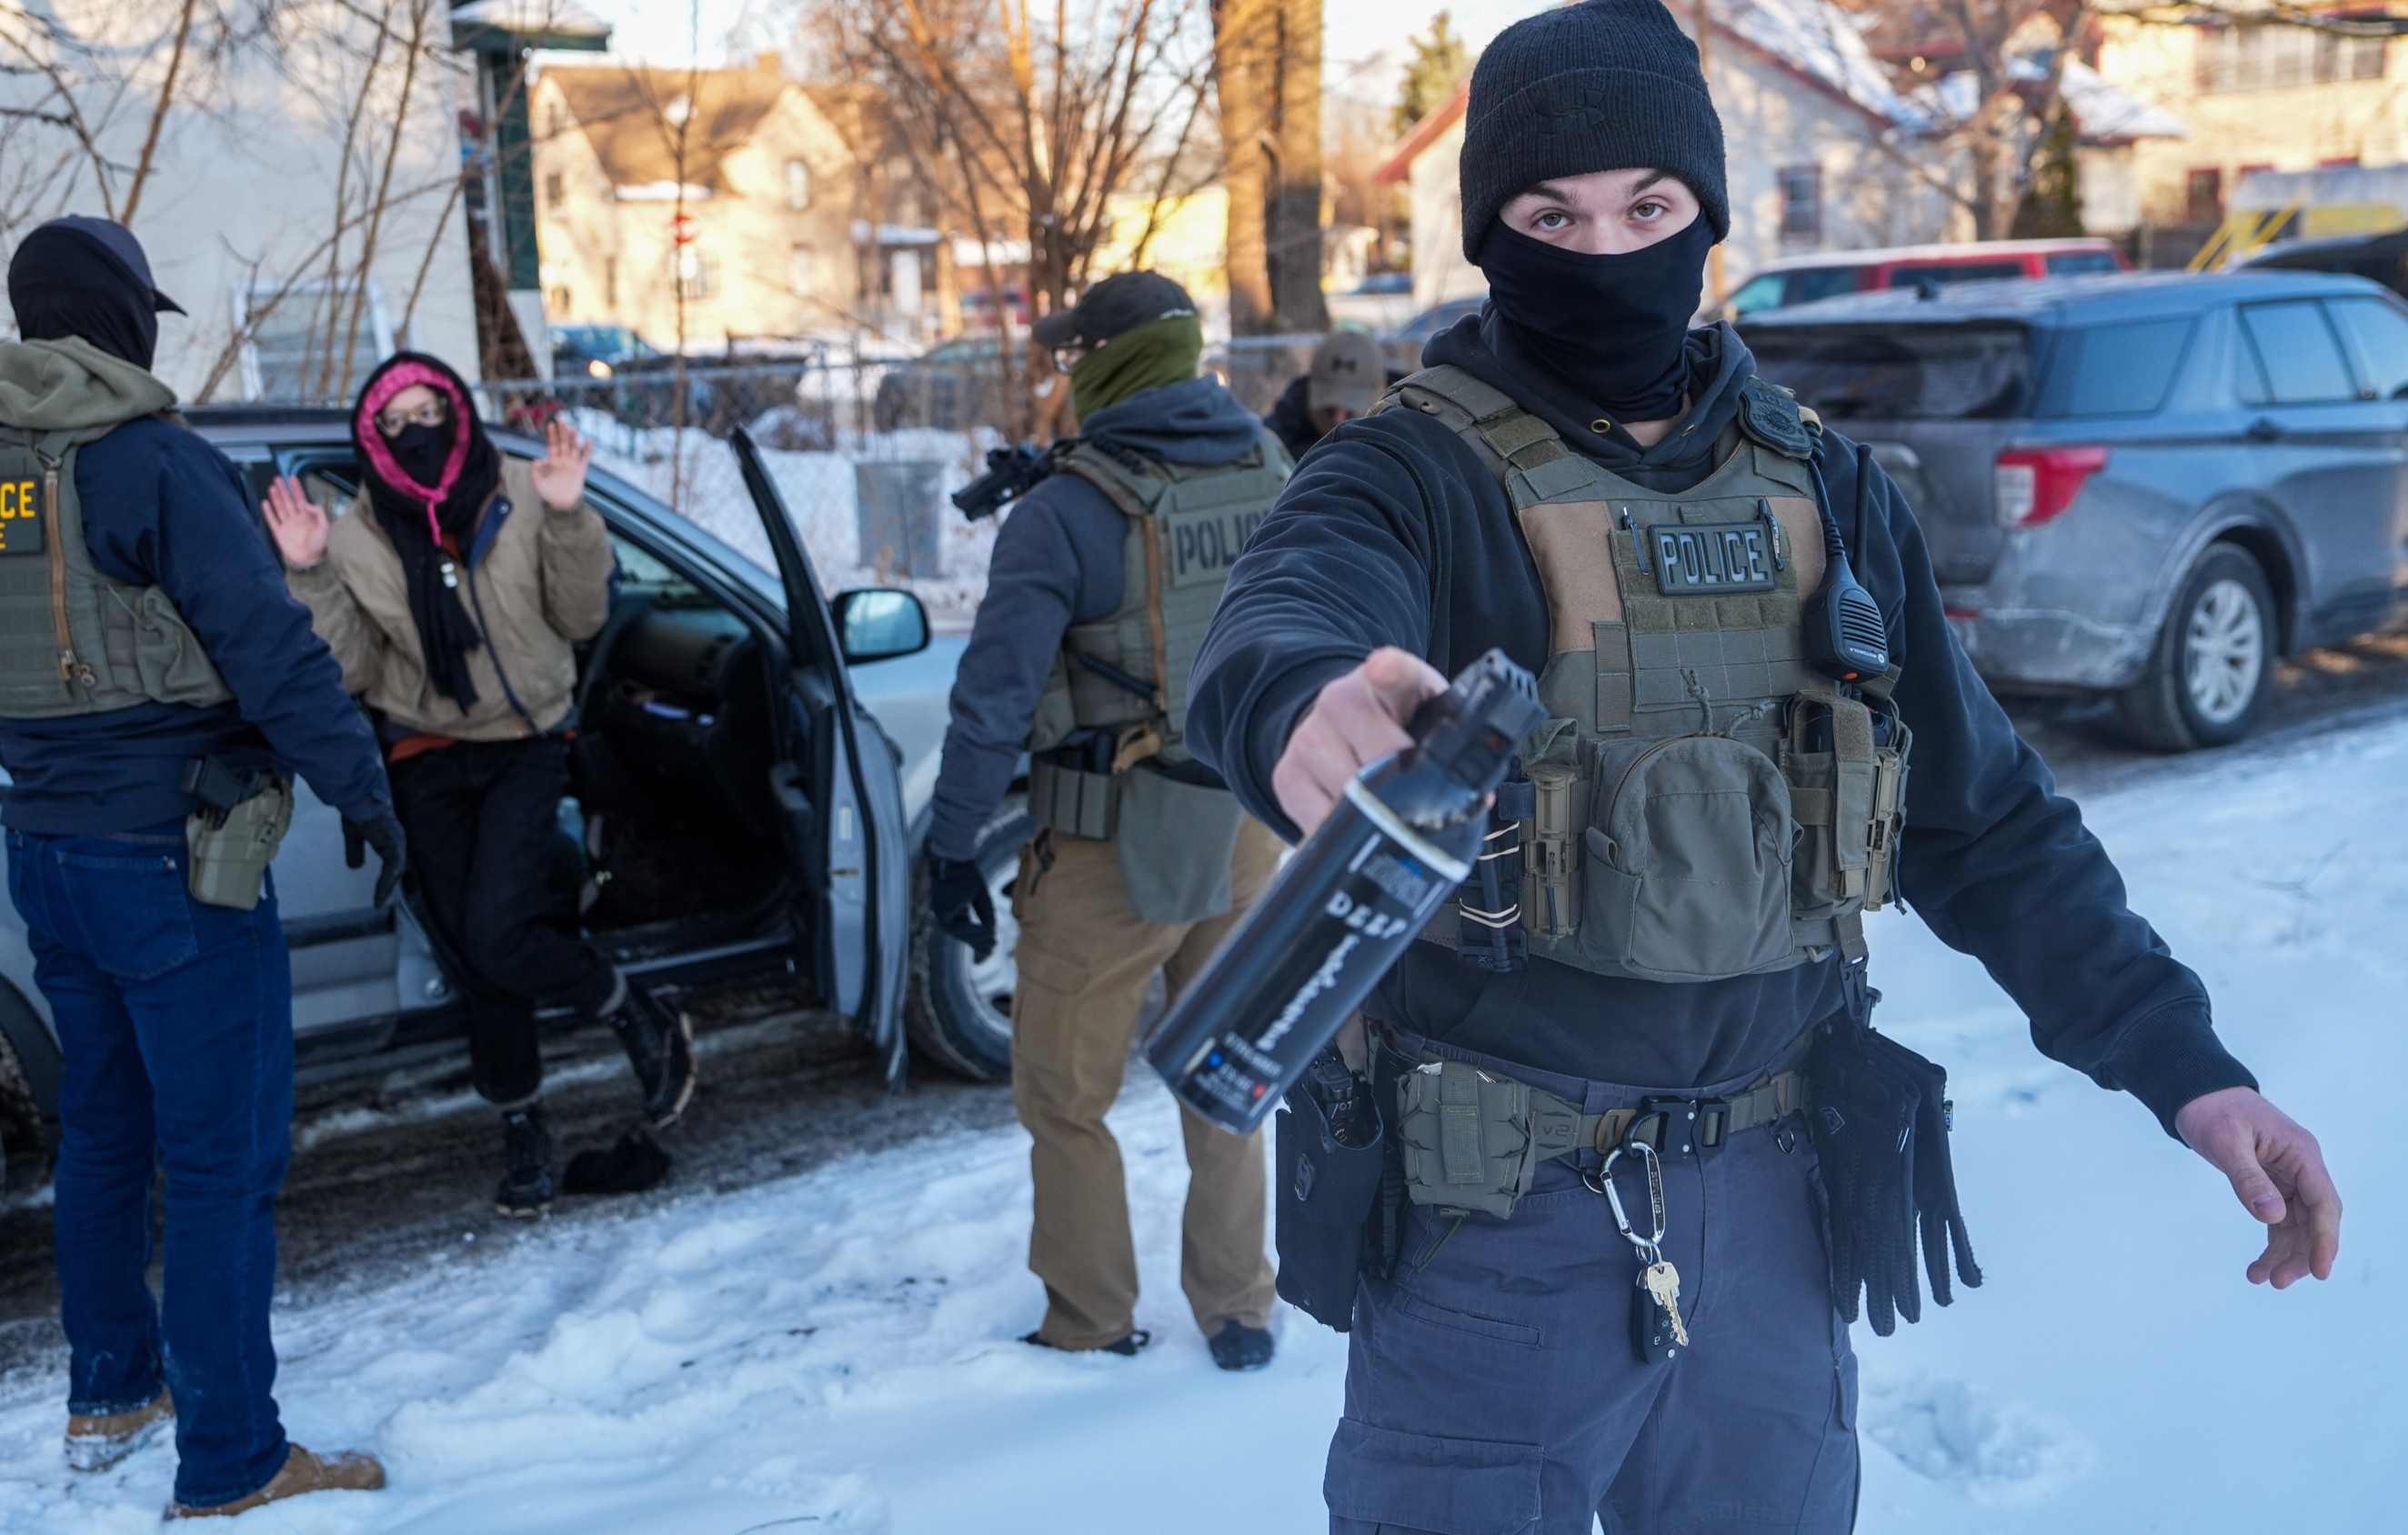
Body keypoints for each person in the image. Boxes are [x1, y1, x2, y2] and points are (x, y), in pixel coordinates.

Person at [1182, 3, 2343, 1529]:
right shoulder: (1407, 475)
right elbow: (1283, 614)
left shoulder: (1827, 487)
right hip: (1495, 1239)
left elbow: (1985, 823)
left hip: (1780, 1220)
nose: (1606, 249)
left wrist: (2187, 1066)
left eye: (1648, 206)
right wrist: (1300, 698)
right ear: (1489, 232)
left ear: (1707, 214)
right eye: (1551, 216)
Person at [0, 215, 401, 1519]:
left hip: (46, 853)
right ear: (118, 317)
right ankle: (235, 1459)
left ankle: (113, 1391)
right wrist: (364, 786)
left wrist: (58, 771)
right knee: (224, 1162)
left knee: (105, 1139)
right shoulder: (157, 461)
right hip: (176, 860)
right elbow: (272, 650)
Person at [923, 270, 1294, 1370]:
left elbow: (992, 702)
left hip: (1106, 847)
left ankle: (1089, 1320)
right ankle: (1239, 1307)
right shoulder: (1270, 465)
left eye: (1075, 353)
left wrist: (951, 845)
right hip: (1241, 822)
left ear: (1109, 361)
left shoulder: (1064, 513)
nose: (1067, 372)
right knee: (1228, 1076)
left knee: (1065, 1095)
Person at [262, 352, 694, 1219]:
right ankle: (523, 1124)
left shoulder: (526, 492)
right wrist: (308, 572)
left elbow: (582, 616)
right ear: (372, 439)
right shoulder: (358, 536)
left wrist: (569, 516)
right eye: (395, 423)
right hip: (426, 753)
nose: (415, 433)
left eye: (429, 413)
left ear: (457, 413)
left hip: (525, 743)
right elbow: (351, 668)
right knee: (477, 955)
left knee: (499, 934)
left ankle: (629, 1008)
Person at [1262, 328, 1386, 461]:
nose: (1338, 419)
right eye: (1329, 408)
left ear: (1378, 393)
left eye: (1351, 409)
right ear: (1309, 388)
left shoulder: (1398, 423)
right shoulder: (1286, 422)